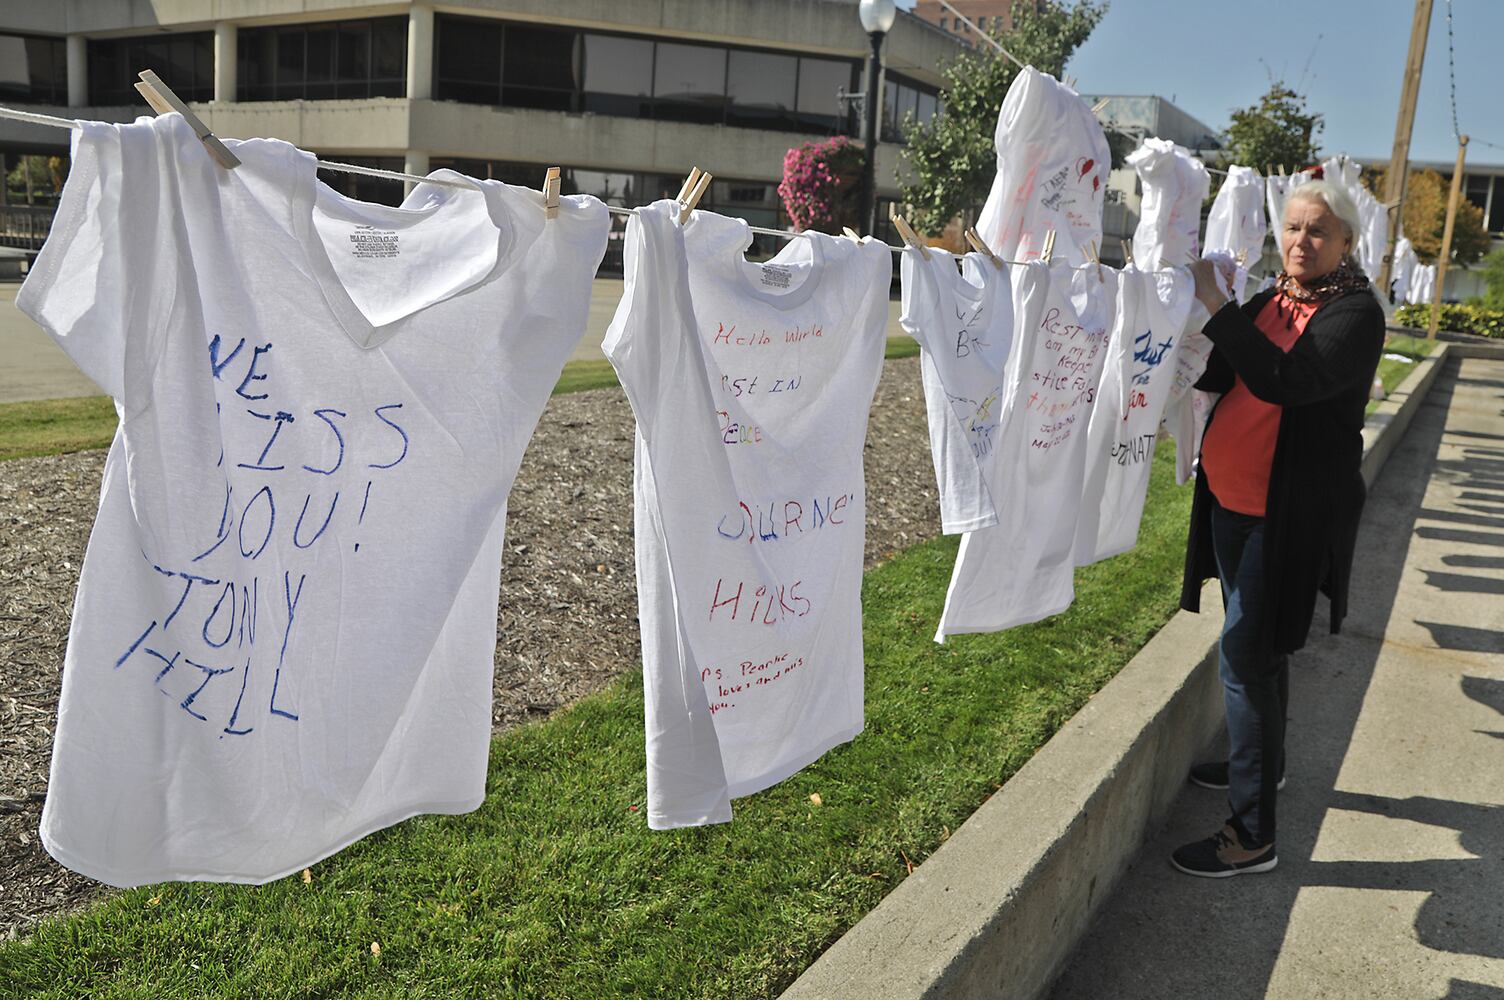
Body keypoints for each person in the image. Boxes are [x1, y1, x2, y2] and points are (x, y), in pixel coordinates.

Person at [1173, 180, 1385, 878]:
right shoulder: (1274, 299)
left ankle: (1252, 833)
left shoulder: (1353, 314)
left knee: (1246, 656)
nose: (1300, 241)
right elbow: (1225, 373)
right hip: (1233, 504)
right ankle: (1267, 768)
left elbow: (1285, 381)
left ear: (1346, 242)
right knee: (1261, 652)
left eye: (1318, 231)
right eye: (1292, 228)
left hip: (1283, 517)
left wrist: (1218, 306)